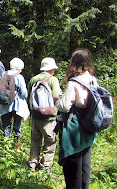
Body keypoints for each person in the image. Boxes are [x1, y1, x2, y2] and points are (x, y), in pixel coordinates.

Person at [55, 48, 97, 189]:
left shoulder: (74, 82)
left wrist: (57, 101)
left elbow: (65, 106)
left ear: (74, 63)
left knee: (73, 167)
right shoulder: (92, 80)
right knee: (85, 163)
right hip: (89, 126)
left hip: (74, 128)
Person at [28, 57, 61, 172]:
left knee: (35, 140)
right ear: (51, 69)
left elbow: (29, 98)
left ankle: (32, 164)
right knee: (50, 141)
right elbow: (57, 97)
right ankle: (45, 166)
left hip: (35, 116)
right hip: (49, 118)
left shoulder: (33, 79)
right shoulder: (53, 80)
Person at [0, 58, 29, 147]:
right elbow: (24, 93)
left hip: (4, 104)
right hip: (17, 105)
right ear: (18, 68)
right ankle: (16, 143)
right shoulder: (19, 77)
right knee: (17, 125)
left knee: (6, 125)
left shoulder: (3, 74)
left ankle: (6, 145)